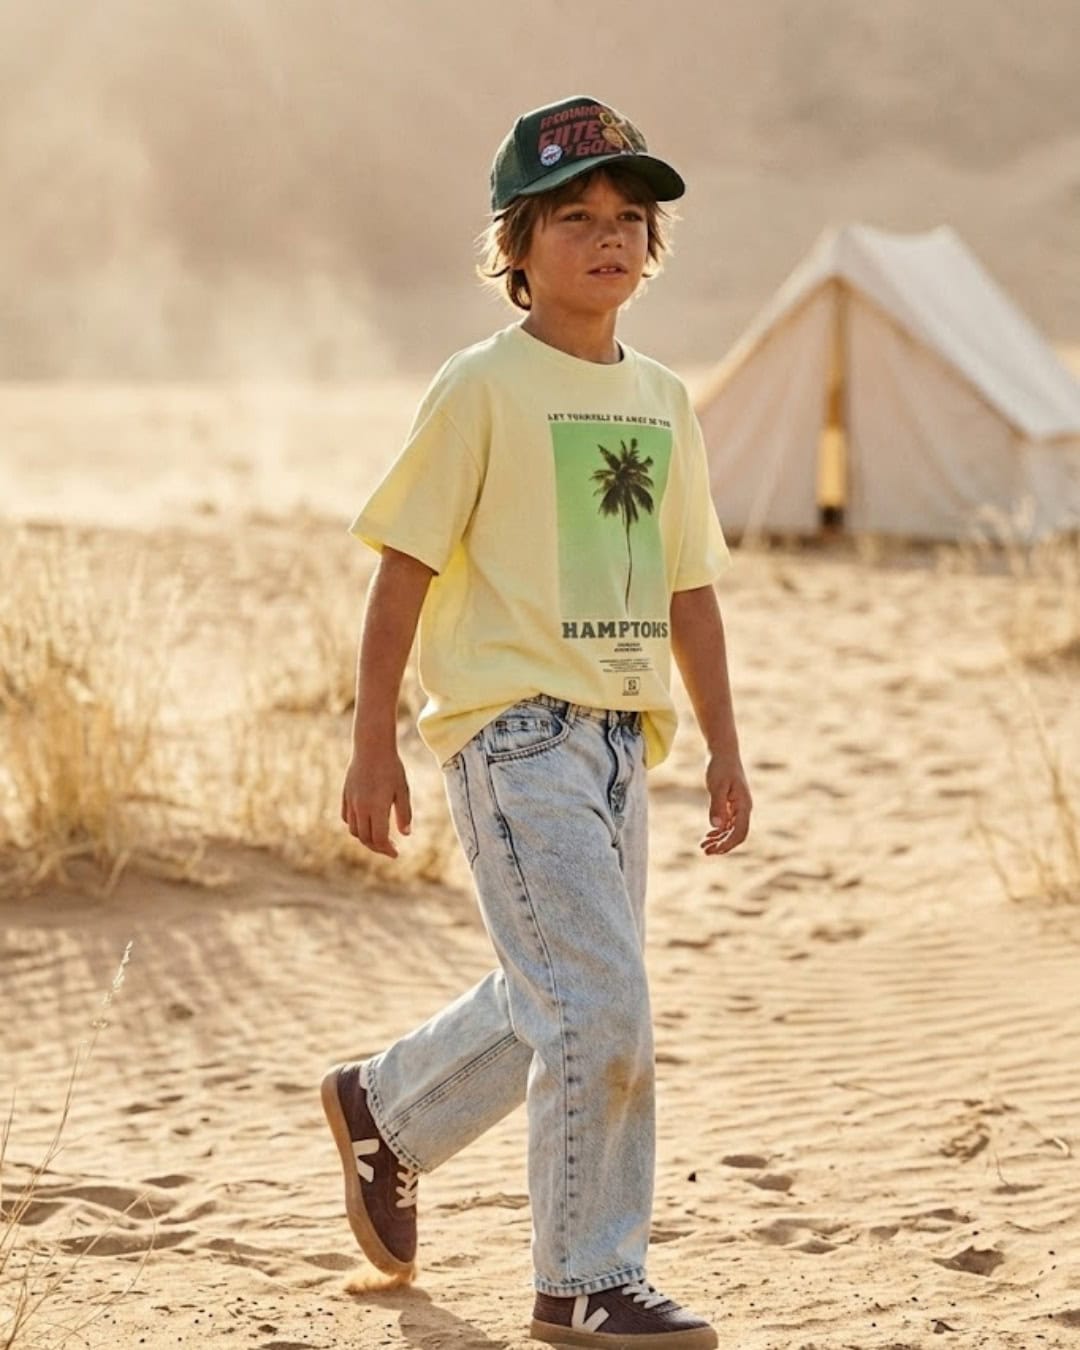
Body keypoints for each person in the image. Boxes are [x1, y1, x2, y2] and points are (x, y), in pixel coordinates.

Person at [321, 94, 752, 1350]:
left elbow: (691, 590)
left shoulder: (666, 400)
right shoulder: (481, 386)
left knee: (560, 993)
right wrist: (371, 743)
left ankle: (385, 1112)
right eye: (575, 218)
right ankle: (584, 1278)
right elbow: (400, 569)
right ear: (518, 247)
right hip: (511, 737)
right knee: (600, 1004)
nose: (608, 239)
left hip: (624, 743)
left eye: (629, 219)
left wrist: (723, 744)